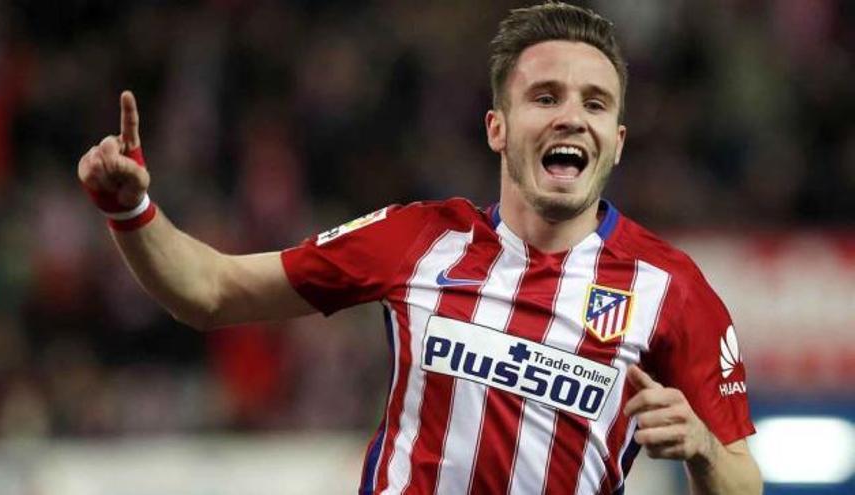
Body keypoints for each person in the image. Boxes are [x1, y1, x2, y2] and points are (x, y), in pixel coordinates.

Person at [77, 2, 761, 494]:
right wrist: (131, 207)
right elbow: (212, 291)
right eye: (544, 96)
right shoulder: (421, 239)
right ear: (498, 127)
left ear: (616, 140)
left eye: (595, 102)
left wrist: (702, 448)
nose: (570, 117)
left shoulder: (672, 289)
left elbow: (742, 483)